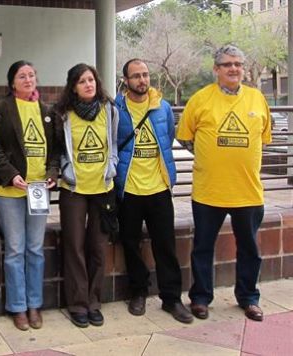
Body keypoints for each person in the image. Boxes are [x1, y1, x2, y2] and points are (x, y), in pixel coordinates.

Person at [176, 45, 271, 322]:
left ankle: (249, 298)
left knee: (250, 249)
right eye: (227, 64)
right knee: (203, 247)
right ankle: (201, 298)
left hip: (248, 192)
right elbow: (185, 136)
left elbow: (262, 139)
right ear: (216, 69)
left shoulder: (257, 99)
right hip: (209, 191)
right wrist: (211, 157)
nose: (234, 69)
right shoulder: (200, 99)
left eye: (238, 64)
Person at [114, 59, 193, 324]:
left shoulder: (163, 107)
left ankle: (171, 298)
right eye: (136, 76)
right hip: (130, 190)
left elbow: (167, 136)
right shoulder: (116, 108)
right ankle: (138, 291)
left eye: (145, 75)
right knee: (130, 243)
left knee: (165, 244)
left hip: (159, 188)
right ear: (126, 80)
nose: (142, 80)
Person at [0, 60, 58, 331]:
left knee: (35, 249)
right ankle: (17, 307)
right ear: (12, 82)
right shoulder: (2, 109)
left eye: (32, 74)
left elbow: (55, 150)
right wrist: (10, 174)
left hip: (39, 190)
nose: (28, 79)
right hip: (9, 191)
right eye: (22, 76)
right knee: (16, 249)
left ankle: (34, 305)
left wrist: (52, 172)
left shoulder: (46, 111)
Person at [53, 63, 118, 328]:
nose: (88, 84)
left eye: (91, 80)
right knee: (74, 247)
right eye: (82, 81)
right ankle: (77, 304)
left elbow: (114, 142)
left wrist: (111, 164)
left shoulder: (110, 110)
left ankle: (94, 302)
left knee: (98, 248)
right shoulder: (62, 114)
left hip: (103, 189)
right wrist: (64, 169)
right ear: (73, 86)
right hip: (73, 189)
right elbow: (57, 149)